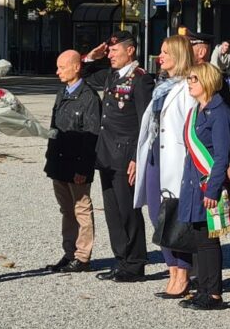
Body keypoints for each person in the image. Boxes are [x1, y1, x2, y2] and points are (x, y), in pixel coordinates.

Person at [82, 30, 154, 282]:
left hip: (125, 154)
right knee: (112, 210)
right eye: (109, 51)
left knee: (127, 210)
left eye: (114, 51)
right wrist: (92, 57)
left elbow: (146, 121)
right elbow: (86, 75)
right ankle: (121, 259)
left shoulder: (140, 79)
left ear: (130, 50)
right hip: (107, 153)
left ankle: (135, 262)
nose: (110, 55)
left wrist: (137, 156)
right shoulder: (113, 75)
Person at [134, 35, 196, 297]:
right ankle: (172, 268)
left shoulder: (187, 87)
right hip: (153, 158)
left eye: (166, 53)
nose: (160, 57)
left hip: (174, 160)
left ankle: (182, 272)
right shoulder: (161, 87)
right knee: (155, 214)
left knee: (173, 216)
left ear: (179, 56)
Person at [178, 63, 230, 310]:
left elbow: (222, 156)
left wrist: (212, 189)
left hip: (208, 185)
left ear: (207, 81)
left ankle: (213, 293)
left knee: (209, 240)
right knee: (199, 238)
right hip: (193, 183)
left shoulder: (219, 112)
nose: (189, 82)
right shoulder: (198, 111)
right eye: (189, 78)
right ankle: (202, 287)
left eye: (194, 78)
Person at [44, 50, 101, 273]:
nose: (57, 71)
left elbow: (92, 135)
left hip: (77, 164)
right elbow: (54, 127)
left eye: (62, 67)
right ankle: (69, 253)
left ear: (76, 67)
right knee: (66, 210)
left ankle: (82, 256)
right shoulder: (62, 93)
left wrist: (84, 168)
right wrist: (49, 158)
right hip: (59, 163)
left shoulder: (89, 97)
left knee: (81, 210)